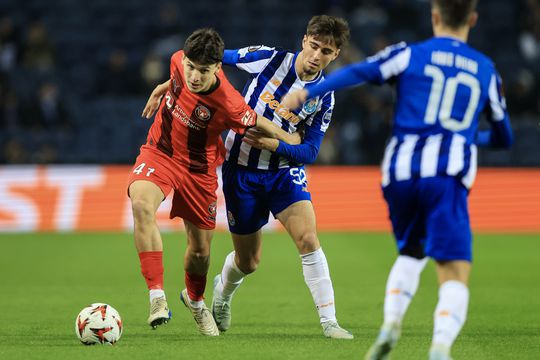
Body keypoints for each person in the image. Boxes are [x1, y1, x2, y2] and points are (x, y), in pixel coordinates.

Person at [284, 1, 513, 359]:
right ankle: (440, 347)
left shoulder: (408, 54)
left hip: (399, 173)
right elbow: (504, 138)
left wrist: (307, 92)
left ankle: (391, 323)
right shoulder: (486, 69)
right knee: (454, 268)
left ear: (434, 16)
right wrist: (469, 137)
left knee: (411, 251)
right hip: (446, 174)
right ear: (472, 19)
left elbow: (359, 71)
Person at [144, 15, 353, 340]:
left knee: (309, 239)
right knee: (248, 260)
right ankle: (222, 294)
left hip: (284, 173)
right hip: (241, 172)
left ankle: (330, 322)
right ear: (304, 40)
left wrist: (275, 144)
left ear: (336, 54)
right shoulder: (267, 58)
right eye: (314, 46)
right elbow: (210, 58)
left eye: (326, 51)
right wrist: (174, 82)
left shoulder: (324, 95)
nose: (316, 56)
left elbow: (311, 152)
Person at [129, 28, 299, 337]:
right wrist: (163, 86)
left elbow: (255, 121)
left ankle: (195, 300)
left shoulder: (230, 104)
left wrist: (288, 137)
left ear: (218, 67)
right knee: (141, 204)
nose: (194, 75)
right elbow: (178, 78)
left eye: (203, 71)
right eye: (191, 67)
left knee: (200, 253)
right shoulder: (179, 61)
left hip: (199, 170)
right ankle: (156, 297)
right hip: (160, 152)